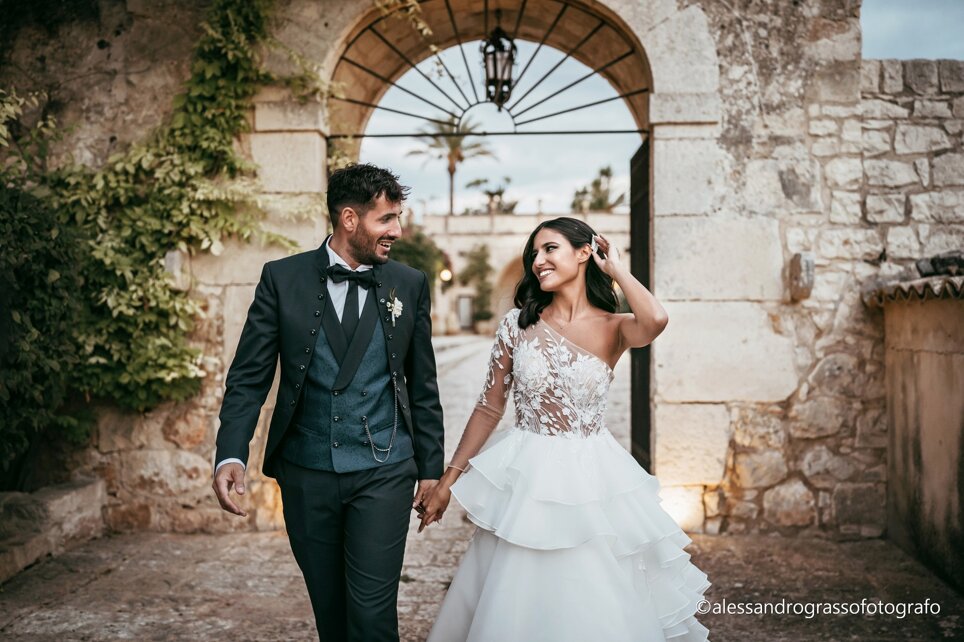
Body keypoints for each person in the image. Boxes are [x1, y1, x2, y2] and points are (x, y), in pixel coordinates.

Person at [418, 216, 711, 641]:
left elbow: (656, 319)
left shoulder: (614, 327)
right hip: (528, 477)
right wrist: (448, 480)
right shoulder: (516, 326)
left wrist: (617, 269)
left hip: (593, 476)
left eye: (550, 249)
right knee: (514, 593)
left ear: (584, 252)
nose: (538, 261)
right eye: (533, 253)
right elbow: (487, 408)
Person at [211, 163, 444, 642]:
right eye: (386, 220)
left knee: (373, 614)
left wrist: (431, 468)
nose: (396, 231)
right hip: (306, 470)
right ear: (349, 219)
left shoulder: (410, 283)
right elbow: (249, 378)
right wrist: (231, 451)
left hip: (385, 468)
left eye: (398, 218)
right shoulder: (281, 279)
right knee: (330, 611)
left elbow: (423, 385)